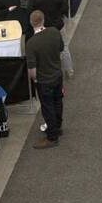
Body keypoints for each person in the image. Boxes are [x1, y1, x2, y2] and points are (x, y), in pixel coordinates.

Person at [26, 9, 64, 148]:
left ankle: (52, 137)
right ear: (43, 20)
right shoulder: (54, 32)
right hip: (57, 75)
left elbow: (32, 69)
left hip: (44, 80)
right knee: (58, 101)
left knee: (47, 107)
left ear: (31, 23)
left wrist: (35, 80)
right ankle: (57, 128)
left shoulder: (31, 43)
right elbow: (61, 48)